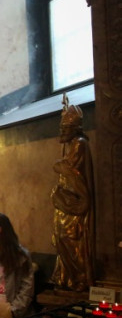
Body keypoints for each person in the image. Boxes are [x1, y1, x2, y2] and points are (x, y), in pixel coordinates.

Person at [51, 98, 94, 292]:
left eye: (65, 128)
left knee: (70, 239)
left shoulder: (80, 143)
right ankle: (67, 278)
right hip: (65, 201)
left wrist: (59, 165)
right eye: (61, 127)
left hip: (75, 202)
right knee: (60, 239)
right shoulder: (71, 144)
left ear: (75, 129)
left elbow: (70, 169)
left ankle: (79, 278)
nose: (61, 131)